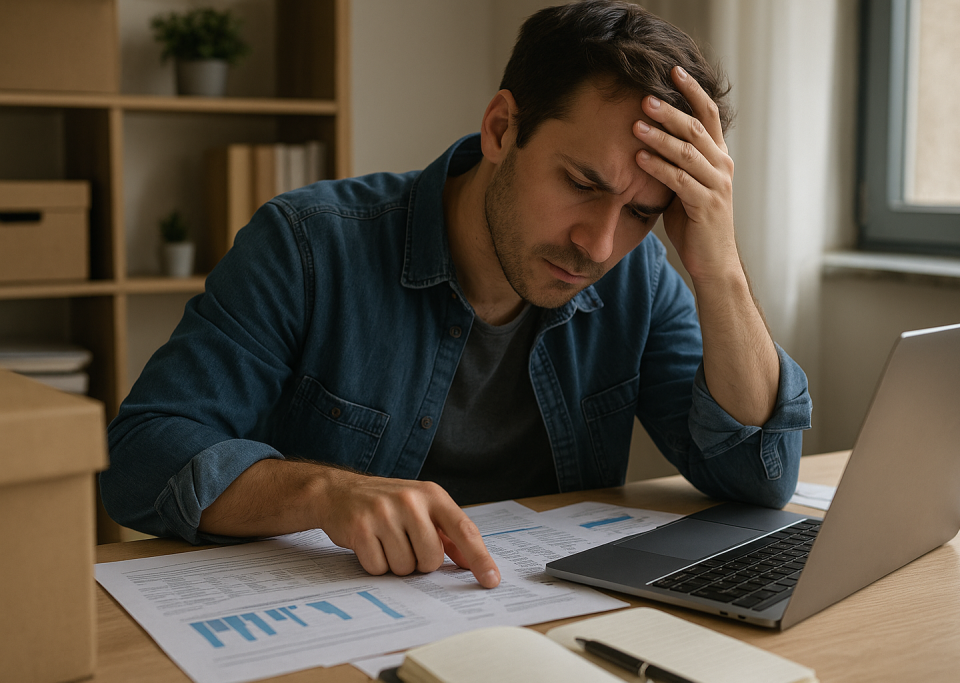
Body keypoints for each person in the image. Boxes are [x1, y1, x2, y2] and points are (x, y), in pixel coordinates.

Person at [102, 0, 811, 592]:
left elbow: (758, 476)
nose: (598, 245)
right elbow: (139, 457)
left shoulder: (640, 278)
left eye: (641, 212)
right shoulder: (307, 246)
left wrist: (716, 265)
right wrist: (324, 493)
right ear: (502, 128)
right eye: (583, 185)